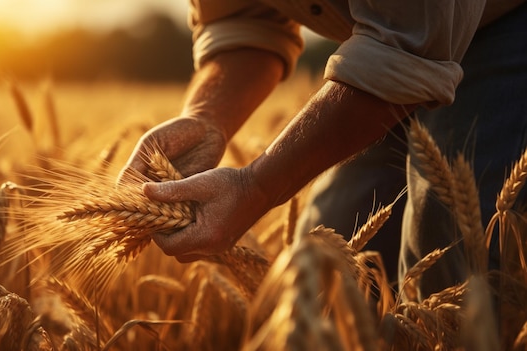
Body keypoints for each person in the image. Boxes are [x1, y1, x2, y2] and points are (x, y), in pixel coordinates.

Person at [121, 1, 527, 298]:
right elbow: (244, 22)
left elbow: (406, 48)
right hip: (380, 42)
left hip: (506, 21)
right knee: (323, 268)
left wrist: (257, 186)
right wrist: (207, 115)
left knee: (452, 263)